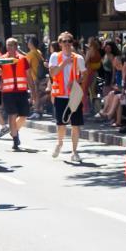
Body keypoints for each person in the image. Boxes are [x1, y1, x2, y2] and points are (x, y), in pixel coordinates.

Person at [48, 33, 86, 164]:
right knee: (61, 124)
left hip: (74, 95)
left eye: (69, 41)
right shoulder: (55, 56)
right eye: (64, 41)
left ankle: (74, 152)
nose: (67, 43)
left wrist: (76, 81)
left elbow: (84, 75)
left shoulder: (78, 58)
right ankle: (59, 143)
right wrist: (64, 63)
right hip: (60, 95)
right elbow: (53, 73)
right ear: (60, 44)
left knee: (75, 125)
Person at [0, 37, 34, 150]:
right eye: (8, 45)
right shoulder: (2, 59)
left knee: (23, 115)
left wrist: (33, 91)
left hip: (21, 91)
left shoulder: (23, 59)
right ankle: (15, 138)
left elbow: (28, 76)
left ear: (16, 46)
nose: (10, 47)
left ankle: (14, 130)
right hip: (8, 92)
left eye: (12, 45)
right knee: (12, 115)